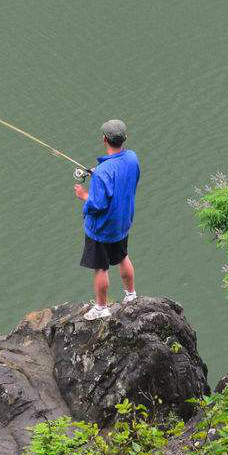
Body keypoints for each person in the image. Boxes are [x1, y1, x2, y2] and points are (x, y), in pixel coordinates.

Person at [74, 119, 140, 320]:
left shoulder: (103, 172)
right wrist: (97, 172)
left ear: (104, 140)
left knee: (101, 267)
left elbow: (98, 204)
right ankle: (131, 295)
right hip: (122, 222)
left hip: (102, 228)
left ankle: (102, 308)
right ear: (124, 139)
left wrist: (83, 195)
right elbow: (125, 177)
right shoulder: (132, 158)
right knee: (122, 256)